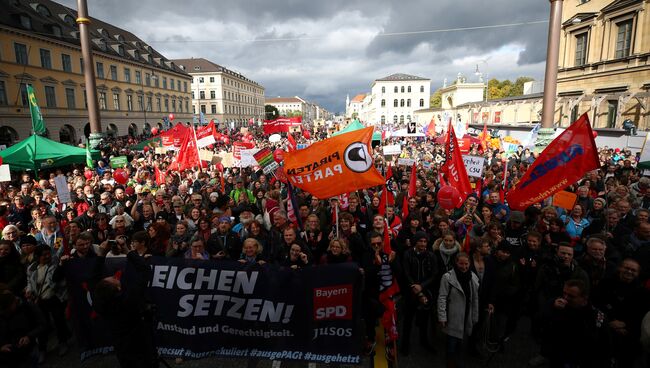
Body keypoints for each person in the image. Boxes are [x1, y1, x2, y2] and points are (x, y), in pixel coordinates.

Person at [92, 243, 158, 368]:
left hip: (122, 347)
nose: (112, 276)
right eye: (112, 278)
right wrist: (128, 251)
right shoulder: (131, 298)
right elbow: (145, 270)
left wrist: (101, 254)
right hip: (141, 344)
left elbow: (94, 278)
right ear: (117, 287)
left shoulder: (100, 303)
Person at [539, 279, 610, 368]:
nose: (565, 298)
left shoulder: (596, 316)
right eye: (564, 293)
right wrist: (552, 309)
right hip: (558, 356)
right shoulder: (557, 304)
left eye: (571, 296)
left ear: (584, 298)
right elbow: (540, 321)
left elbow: (605, 345)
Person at [437, 253, 480, 368]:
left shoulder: (473, 277)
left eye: (466, 264)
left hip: (467, 316)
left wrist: (475, 316)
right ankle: (450, 364)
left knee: (461, 346)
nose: (464, 266)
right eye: (461, 263)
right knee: (451, 346)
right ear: (456, 263)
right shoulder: (447, 277)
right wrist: (442, 317)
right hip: (453, 317)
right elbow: (442, 297)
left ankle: (459, 363)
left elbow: (475, 299)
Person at [400, 231, 437, 355]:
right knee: (408, 320)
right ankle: (405, 343)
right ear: (415, 241)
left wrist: (422, 286)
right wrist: (414, 287)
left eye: (425, 241)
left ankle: (424, 341)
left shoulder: (431, 256)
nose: (423, 243)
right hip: (411, 291)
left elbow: (434, 274)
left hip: (425, 290)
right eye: (420, 241)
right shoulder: (407, 254)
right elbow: (406, 273)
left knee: (424, 319)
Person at [0, 288, 47, 368]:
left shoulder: (27, 307)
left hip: (30, 352)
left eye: (8, 309)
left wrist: (29, 337)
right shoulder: (3, 314)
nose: (7, 312)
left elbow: (43, 324)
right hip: (11, 360)